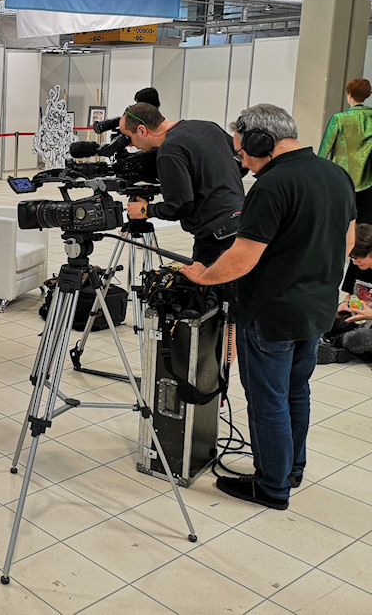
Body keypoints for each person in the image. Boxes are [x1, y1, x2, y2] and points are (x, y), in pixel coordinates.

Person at [181, 104, 356, 510]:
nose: (242, 161)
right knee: (296, 390)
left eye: (243, 151)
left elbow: (242, 257)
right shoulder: (337, 175)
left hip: (270, 314)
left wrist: (204, 275)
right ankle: (291, 467)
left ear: (263, 141)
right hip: (317, 309)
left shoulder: (271, 185)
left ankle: (272, 486)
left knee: (268, 399)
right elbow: (347, 243)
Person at [121, 102, 245, 264]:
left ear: (142, 130)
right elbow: (242, 163)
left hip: (214, 237)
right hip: (243, 222)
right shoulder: (208, 127)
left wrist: (145, 210)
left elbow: (179, 207)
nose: (130, 145)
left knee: (206, 279)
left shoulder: (169, 150)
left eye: (129, 137)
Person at [317, 78, 372, 222]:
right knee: (364, 223)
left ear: (350, 95)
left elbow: (323, 151)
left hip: (341, 178)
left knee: (341, 220)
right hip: (368, 180)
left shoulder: (339, 119)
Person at [317, 222, 372, 363]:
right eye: (352, 257)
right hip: (359, 319)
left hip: (368, 325)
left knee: (361, 338)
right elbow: (353, 296)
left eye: (358, 258)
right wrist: (346, 305)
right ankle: (335, 344)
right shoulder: (356, 265)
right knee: (323, 317)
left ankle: (336, 346)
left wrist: (369, 314)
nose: (354, 262)